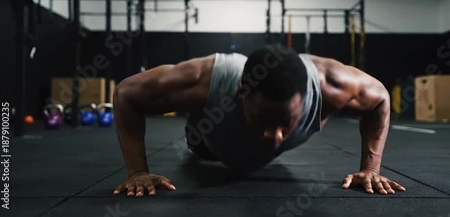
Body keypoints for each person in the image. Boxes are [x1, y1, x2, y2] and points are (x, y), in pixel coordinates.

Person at [112, 45, 406, 197]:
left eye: (286, 123)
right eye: (264, 120)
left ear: (304, 100)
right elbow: (126, 93)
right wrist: (138, 172)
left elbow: (380, 97)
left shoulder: (331, 86)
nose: (276, 136)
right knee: (200, 146)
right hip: (209, 144)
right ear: (241, 93)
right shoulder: (206, 79)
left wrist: (370, 169)